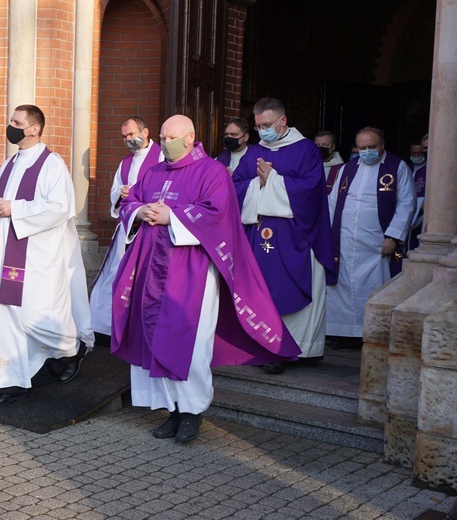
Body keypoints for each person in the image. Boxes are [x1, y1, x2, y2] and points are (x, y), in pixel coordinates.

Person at [112, 114, 300, 442]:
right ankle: (172, 410)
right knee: (155, 337)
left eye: (170, 136)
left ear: (189, 138)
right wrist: (140, 212)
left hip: (191, 271)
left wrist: (174, 216)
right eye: (161, 135)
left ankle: (192, 413)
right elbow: (130, 201)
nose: (164, 141)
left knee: (191, 342)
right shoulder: (154, 171)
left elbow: (217, 214)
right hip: (150, 268)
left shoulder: (211, 171)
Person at [0, 104, 94, 407]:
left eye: (17, 122)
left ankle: (71, 348)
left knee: (35, 317)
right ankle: (13, 380)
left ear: (34, 129)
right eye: (11, 121)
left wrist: (14, 208)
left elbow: (59, 208)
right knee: (4, 317)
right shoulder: (9, 164)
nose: (11, 126)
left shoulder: (52, 164)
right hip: (5, 254)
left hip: (37, 258)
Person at [233, 98, 338, 374]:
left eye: (266, 125)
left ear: (283, 121)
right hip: (261, 234)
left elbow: (312, 190)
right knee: (264, 290)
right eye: (257, 127)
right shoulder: (254, 151)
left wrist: (274, 181)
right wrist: (259, 183)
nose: (262, 131)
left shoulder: (305, 150)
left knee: (291, 287)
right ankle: (270, 347)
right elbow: (237, 186)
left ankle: (302, 347)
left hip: (297, 235)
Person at [327, 127, 416, 345]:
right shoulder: (347, 168)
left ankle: (370, 331)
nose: (366, 152)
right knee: (342, 284)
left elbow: (407, 204)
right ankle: (341, 333)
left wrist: (392, 236)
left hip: (376, 241)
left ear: (382, 146)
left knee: (373, 284)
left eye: (372, 147)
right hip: (345, 238)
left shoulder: (397, 167)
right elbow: (332, 202)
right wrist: (328, 234)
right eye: (362, 147)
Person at [89, 116, 162, 346]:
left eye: (131, 134)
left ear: (146, 132)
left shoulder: (161, 157)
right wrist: (121, 194)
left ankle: (138, 331)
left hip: (151, 227)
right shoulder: (125, 163)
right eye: (124, 136)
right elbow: (114, 192)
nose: (128, 139)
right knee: (115, 276)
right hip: (128, 227)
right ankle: (104, 329)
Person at [408, 137, 428, 250]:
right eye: (414, 153)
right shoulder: (406, 167)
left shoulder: (429, 169)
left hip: (422, 213)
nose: (416, 156)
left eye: (419, 153)